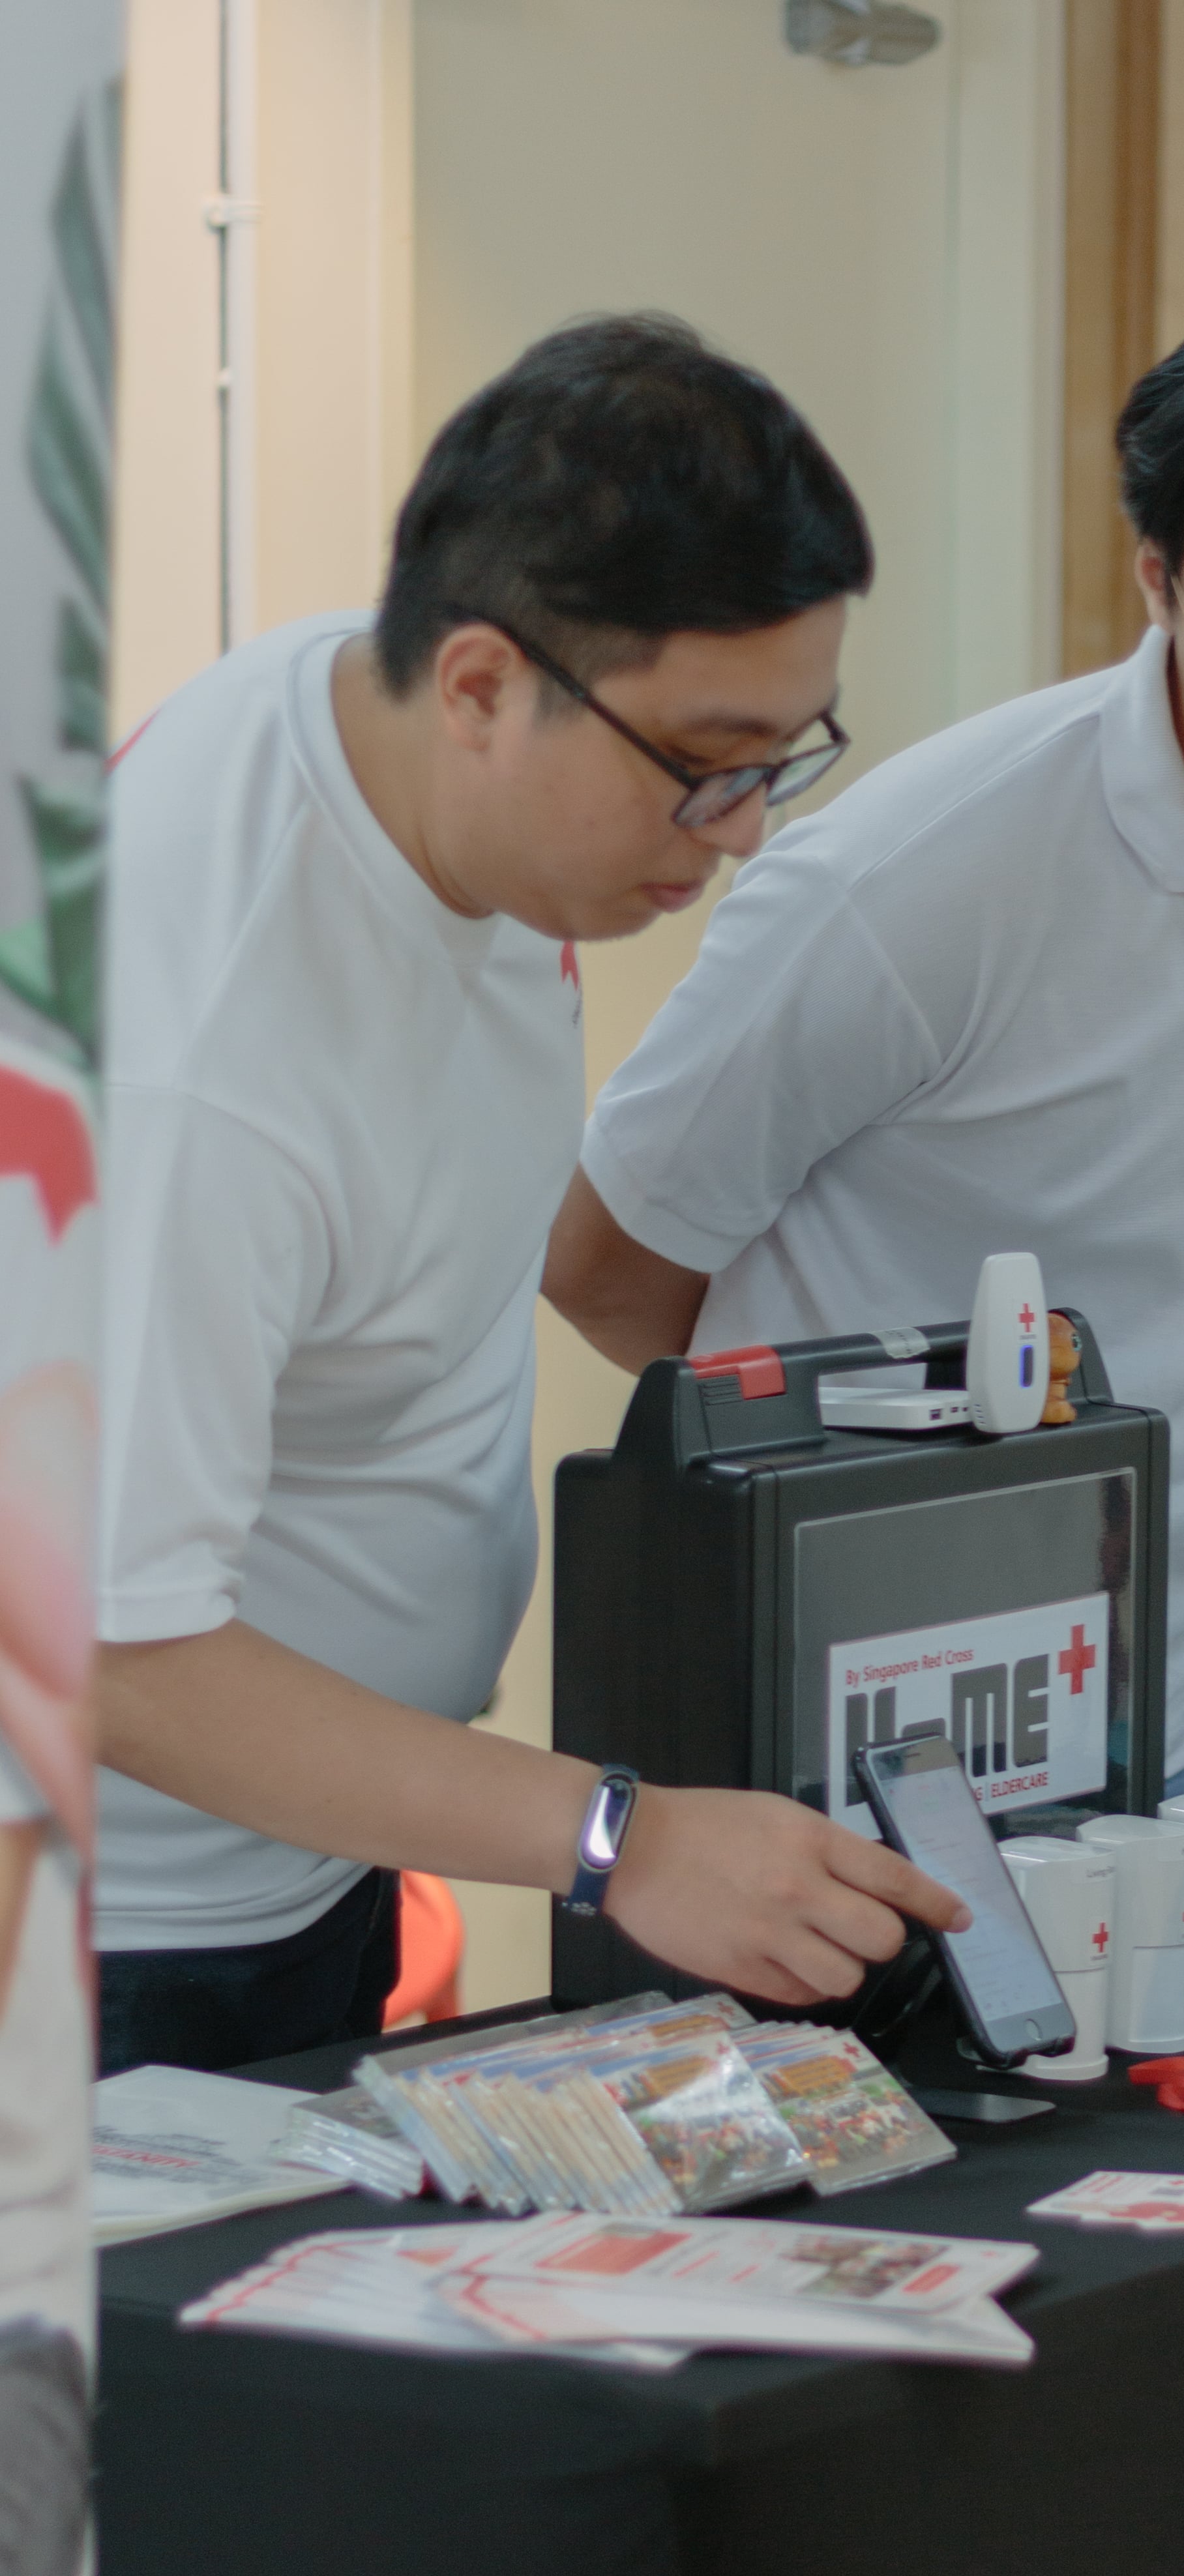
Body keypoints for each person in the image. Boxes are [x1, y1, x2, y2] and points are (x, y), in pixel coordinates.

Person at [545, 291, 1184, 1802]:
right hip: (829, 1714)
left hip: (1179, 1701)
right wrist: (881, 1518)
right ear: (1159, 583)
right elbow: (612, 1263)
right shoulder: (921, 879)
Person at [95, 315, 966, 2077]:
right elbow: (112, 1655)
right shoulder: (198, 1055)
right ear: (483, 683)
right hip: (121, 1923)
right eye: (704, 764)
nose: (744, 834)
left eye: (783, 761)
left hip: (313, 1854)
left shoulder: (411, 766)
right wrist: (609, 1837)